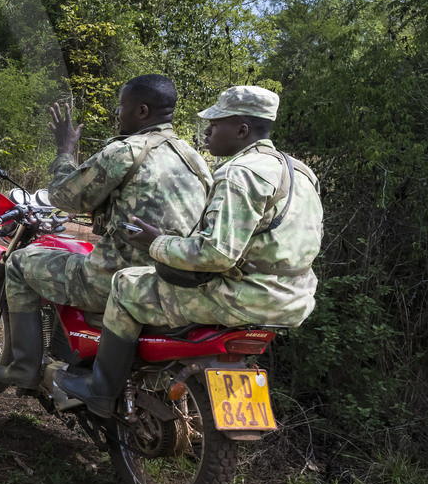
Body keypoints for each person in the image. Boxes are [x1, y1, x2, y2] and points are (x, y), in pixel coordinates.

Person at [57, 85, 324, 417]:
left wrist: (155, 241)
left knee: (126, 285)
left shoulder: (240, 173)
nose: (208, 130)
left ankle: (100, 390)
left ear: (242, 130)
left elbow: (216, 254)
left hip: (239, 298)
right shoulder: (301, 172)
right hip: (294, 301)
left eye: (216, 123)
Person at [0, 75, 211, 390]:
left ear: (142, 111)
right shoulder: (195, 160)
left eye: (122, 107)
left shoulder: (124, 152)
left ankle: (24, 368)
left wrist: (65, 151)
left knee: (17, 264)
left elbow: (64, 196)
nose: (117, 114)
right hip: (174, 284)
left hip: (116, 283)